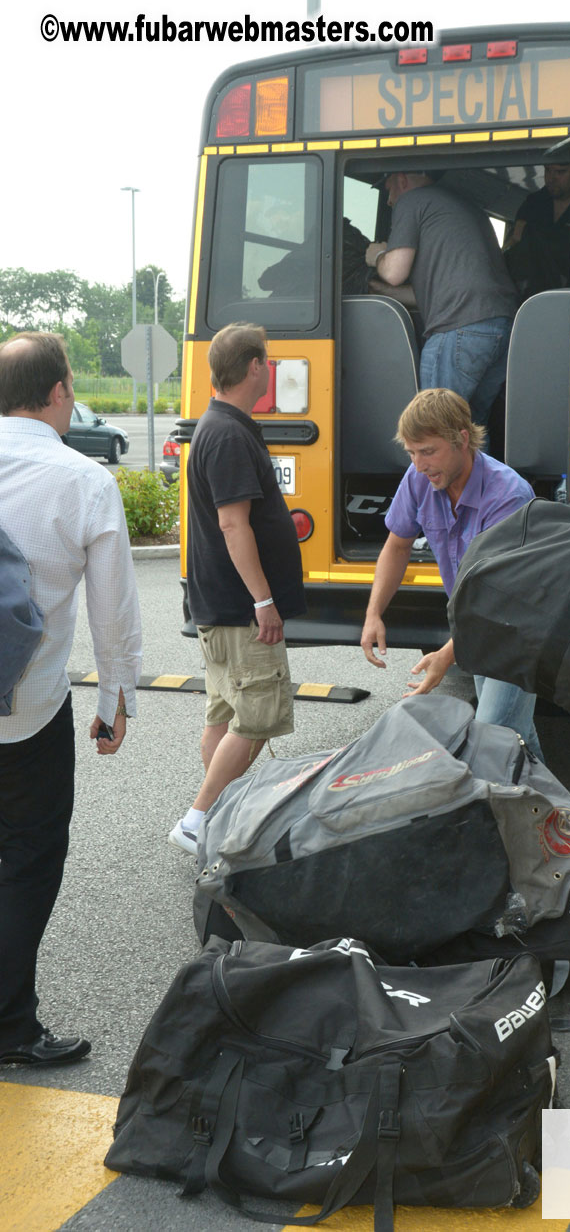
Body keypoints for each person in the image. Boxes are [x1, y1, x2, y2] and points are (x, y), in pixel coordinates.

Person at [0, 332, 141, 1068]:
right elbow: (112, 612)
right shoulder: (82, 479)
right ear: (58, 392)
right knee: (26, 856)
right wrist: (115, 699)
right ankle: (9, 1026)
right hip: (25, 713)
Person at [169, 323, 305, 854]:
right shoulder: (227, 433)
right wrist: (264, 602)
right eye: (265, 360)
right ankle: (198, 819)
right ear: (253, 367)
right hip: (238, 610)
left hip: (221, 606)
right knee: (258, 716)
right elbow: (233, 524)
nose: (269, 368)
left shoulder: (220, 425)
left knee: (224, 715)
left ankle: (219, 816)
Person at [360, 387, 542, 759]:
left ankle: (526, 814)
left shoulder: (508, 496)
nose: (420, 464)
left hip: (515, 626)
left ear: (462, 439)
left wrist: (446, 655)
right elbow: (397, 545)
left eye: (428, 451)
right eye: (412, 453)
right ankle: (555, 814)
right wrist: (373, 613)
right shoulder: (418, 478)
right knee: (514, 734)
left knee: (492, 733)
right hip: (473, 624)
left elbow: (499, 599)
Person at [366, 172, 518, 429]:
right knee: (470, 427)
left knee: (436, 427)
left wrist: (377, 255)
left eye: (389, 189)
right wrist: (373, 289)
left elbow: (393, 272)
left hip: (458, 329)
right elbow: (428, 293)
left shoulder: (412, 200)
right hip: (501, 328)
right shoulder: (464, 207)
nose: (390, 200)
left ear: (402, 179)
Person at [504, 153, 570, 297]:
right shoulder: (533, 203)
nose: (552, 178)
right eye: (548, 170)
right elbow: (515, 241)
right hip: (531, 294)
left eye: (560, 172)